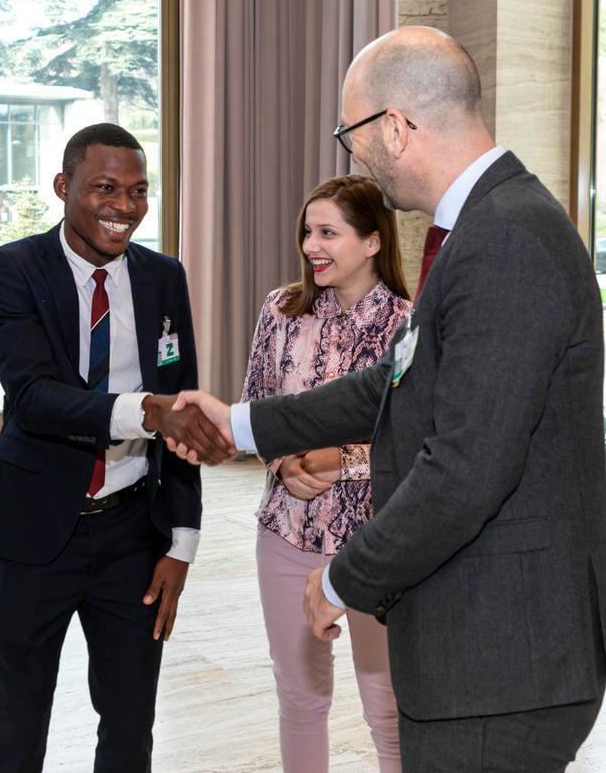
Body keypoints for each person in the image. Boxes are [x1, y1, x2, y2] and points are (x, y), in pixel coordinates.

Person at [168, 27, 606, 771]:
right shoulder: (482, 224)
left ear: (394, 127)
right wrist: (243, 422)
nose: (351, 154)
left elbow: (465, 470)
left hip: (505, 655)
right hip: (488, 642)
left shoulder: (506, 238)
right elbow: (389, 381)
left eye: (350, 133)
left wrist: (343, 576)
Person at [0, 123, 232, 773]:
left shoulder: (163, 277)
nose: (125, 205)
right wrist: (147, 411)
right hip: (34, 534)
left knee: (130, 723)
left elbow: (183, 405)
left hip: (134, 538)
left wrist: (181, 541)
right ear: (64, 188)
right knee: (17, 724)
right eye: (105, 188)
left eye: (138, 190)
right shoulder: (11, 270)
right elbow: (34, 397)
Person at [242, 174, 408, 772]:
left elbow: (418, 445)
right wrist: (283, 460)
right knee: (300, 697)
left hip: (377, 541)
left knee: (388, 709)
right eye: (308, 231)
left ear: (371, 241)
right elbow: (256, 404)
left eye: (329, 233)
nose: (312, 245)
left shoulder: (409, 325)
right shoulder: (281, 310)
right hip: (284, 532)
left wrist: (341, 461)